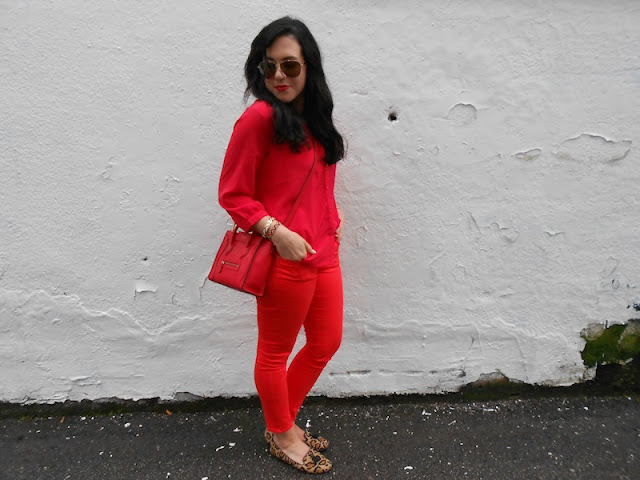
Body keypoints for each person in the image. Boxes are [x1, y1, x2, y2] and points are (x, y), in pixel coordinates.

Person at [217, 16, 345, 474]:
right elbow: (233, 194)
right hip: (284, 256)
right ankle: (283, 433)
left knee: (326, 341)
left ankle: (280, 422)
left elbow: (317, 182)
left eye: (289, 66)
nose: (278, 78)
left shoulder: (315, 118)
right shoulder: (258, 118)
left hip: (323, 251)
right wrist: (277, 231)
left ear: (309, 66)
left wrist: (332, 217)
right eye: (268, 67)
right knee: (275, 351)